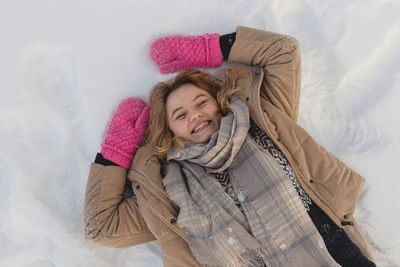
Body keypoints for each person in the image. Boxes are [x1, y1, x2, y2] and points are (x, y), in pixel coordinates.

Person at [84, 26, 376, 266]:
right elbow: (102, 227)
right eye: (180, 115)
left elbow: (282, 52)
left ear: (218, 102)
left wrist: (205, 49)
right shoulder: (169, 190)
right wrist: (117, 154)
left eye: (201, 103)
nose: (195, 114)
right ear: (171, 131)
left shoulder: (263, 123)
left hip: (334, 253)